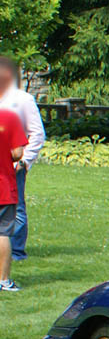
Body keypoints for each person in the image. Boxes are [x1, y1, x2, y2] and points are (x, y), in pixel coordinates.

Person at [0, 57, 44, 265]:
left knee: (16, 208)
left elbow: (37, 134)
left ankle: (16, 251)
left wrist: (25, 161)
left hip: (12, 164)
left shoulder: (23, 100)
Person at [0, 106, 27, 293]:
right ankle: (3, 280)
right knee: (2, 233)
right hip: (3, 185)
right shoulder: (9, 117)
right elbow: (18, 153)